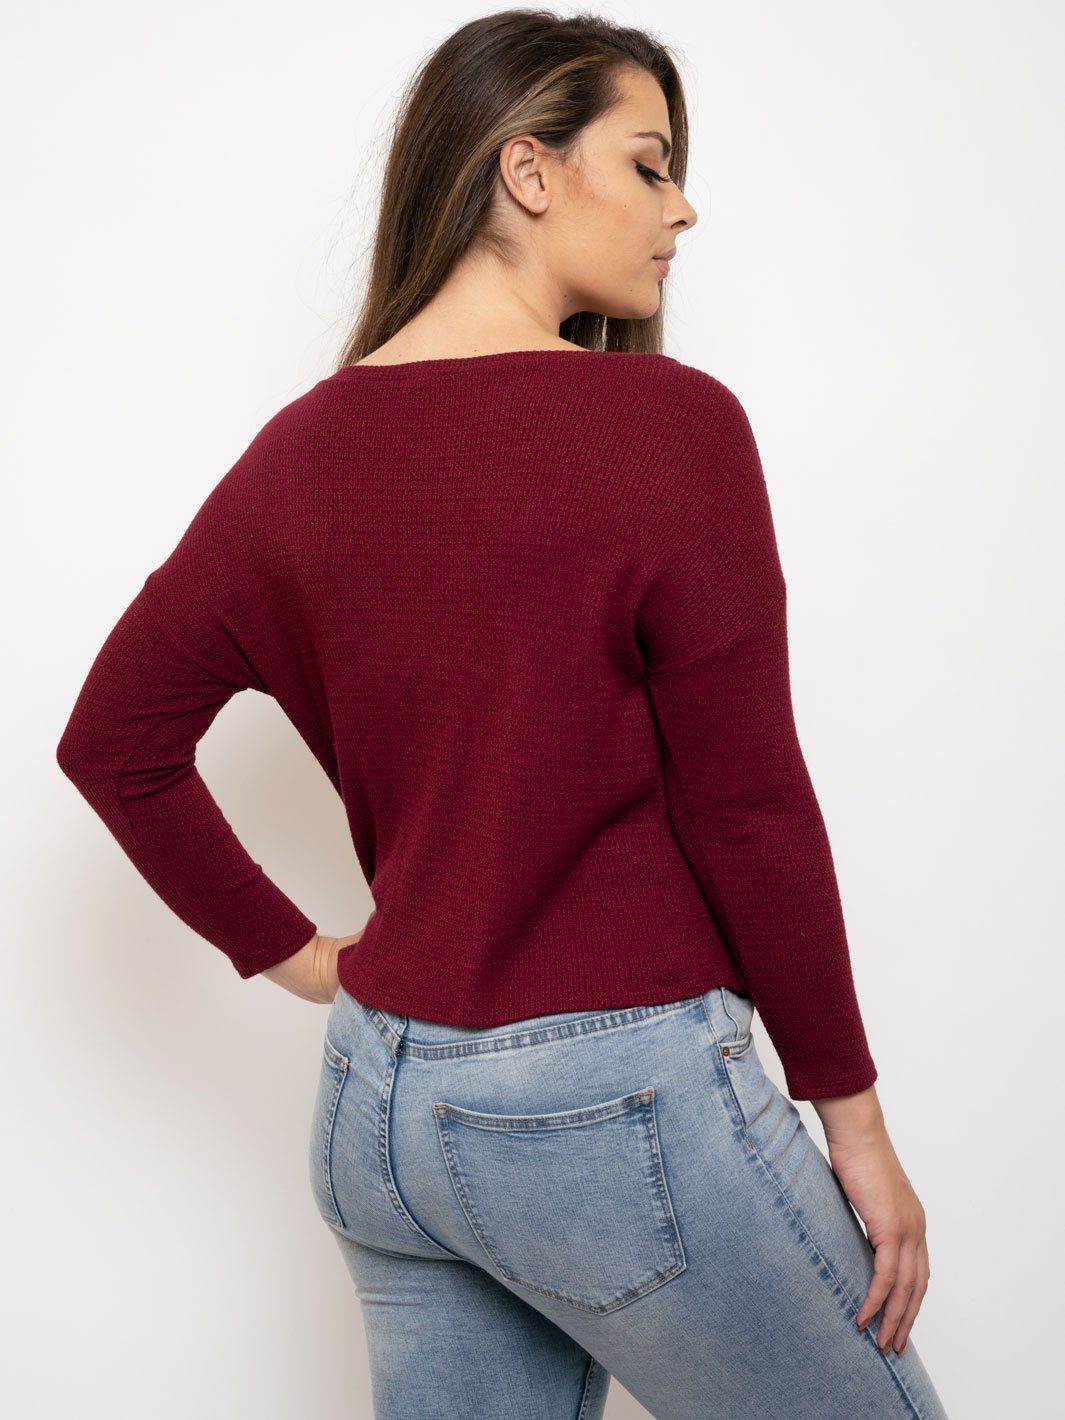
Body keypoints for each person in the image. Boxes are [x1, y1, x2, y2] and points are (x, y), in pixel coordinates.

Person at [56, 10, 950, 1418]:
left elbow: (112, 743)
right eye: (648, 164)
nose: (682, 207)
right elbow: (748, 805)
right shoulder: (666, 426)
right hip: (610, 1103)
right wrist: (856, 1120)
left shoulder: (299, 454)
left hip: (382, 1108)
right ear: (527, 171)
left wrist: (305, 963)